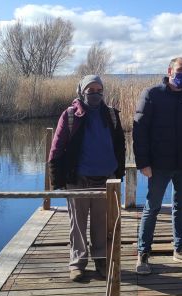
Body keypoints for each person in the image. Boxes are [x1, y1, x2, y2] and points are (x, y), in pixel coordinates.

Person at [133, 57, 182, 275]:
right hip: (158, 165)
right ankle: (143, 252)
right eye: (179, 70)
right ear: (169, 71)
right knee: (152, 208)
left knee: (180, 207)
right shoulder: (152, 94)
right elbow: (139, 131)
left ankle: (180, 248)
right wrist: (143, 163)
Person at [48, 75, 126, 282]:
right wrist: (57, 180)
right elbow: (56, 148)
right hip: (78, 178)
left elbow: (120, 145)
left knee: (102, 224)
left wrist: (119, 173)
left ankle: (101, 260)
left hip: (106, 179)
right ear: (81, 91)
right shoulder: (70, 115)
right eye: (90, 90)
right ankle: (77, 263)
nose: (95, 93)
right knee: (78, 225)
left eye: (98, 89)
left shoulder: (111, 115)